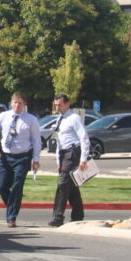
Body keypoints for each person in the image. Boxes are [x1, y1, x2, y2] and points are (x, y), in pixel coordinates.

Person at [0, 92, 41, 227]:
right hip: (5, 157)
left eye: (20, 103)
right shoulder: (3, 116)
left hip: (23, 157)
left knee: (17, 185)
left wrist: (36, 159)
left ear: (24, 104)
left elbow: (36, 140)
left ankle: (11, 217)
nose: (17, 105)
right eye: (15, 102)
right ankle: (12, 205)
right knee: (2, 187)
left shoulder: (31, 119)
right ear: (11, 103)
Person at [48, 93, 88, 226]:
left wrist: (83, 159)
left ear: (67, 104)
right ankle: (78, 214)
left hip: (72, 153)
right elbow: (59, 140)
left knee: (63, 183)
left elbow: (84, 138)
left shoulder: (74, 118)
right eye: (55, 105)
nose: (57, 107)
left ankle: (58, 217)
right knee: (71, 185)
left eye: (60, 105)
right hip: (63, 154)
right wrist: (58, 160)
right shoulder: (60, 119)